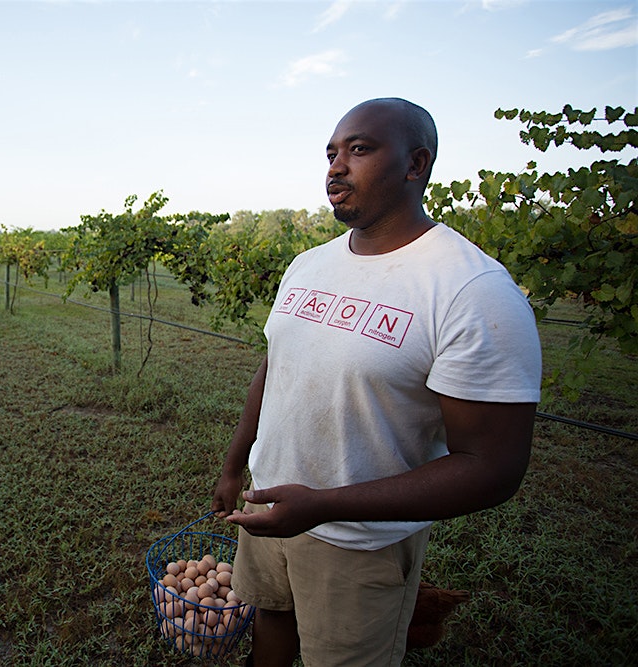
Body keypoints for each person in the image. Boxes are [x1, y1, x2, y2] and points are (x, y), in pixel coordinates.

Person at [211, 97, 542, 667]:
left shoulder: (470, 289)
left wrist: (323, 506)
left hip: (361, 543)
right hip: (269, 510)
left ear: (416, 165)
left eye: (359, 149)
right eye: (332, 153)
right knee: (271, 620)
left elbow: (494, 468)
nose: (335, 167)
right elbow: (276, 367)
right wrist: (235, 464)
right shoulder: (309, 265)